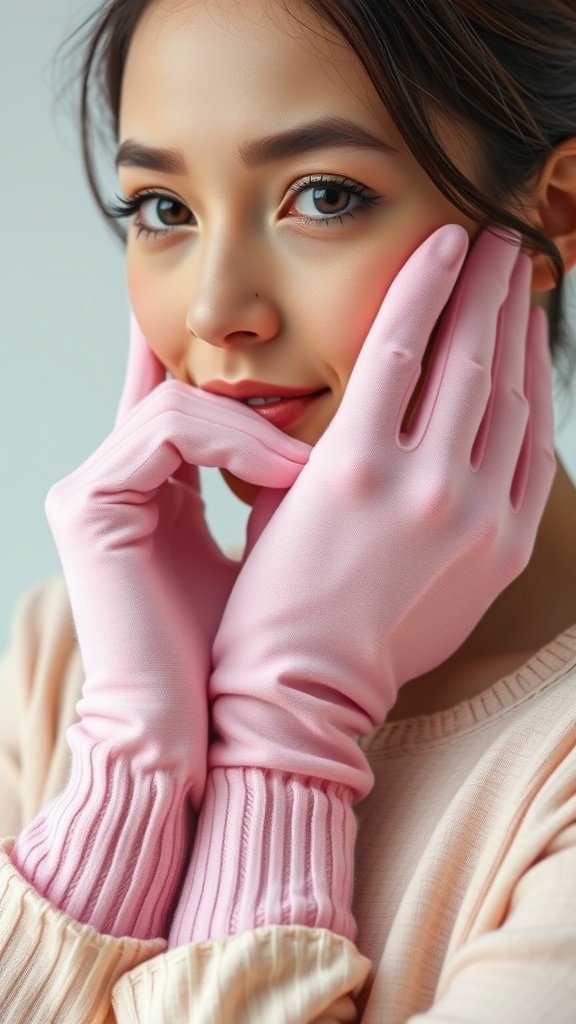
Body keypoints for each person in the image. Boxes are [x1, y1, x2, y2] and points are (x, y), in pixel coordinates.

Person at [1, 0, 576, 1020]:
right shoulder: (72, 659)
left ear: (556, 213)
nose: (218, 308)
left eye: (323, 194)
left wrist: (283, 723)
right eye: (163, 210)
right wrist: (129, 763)